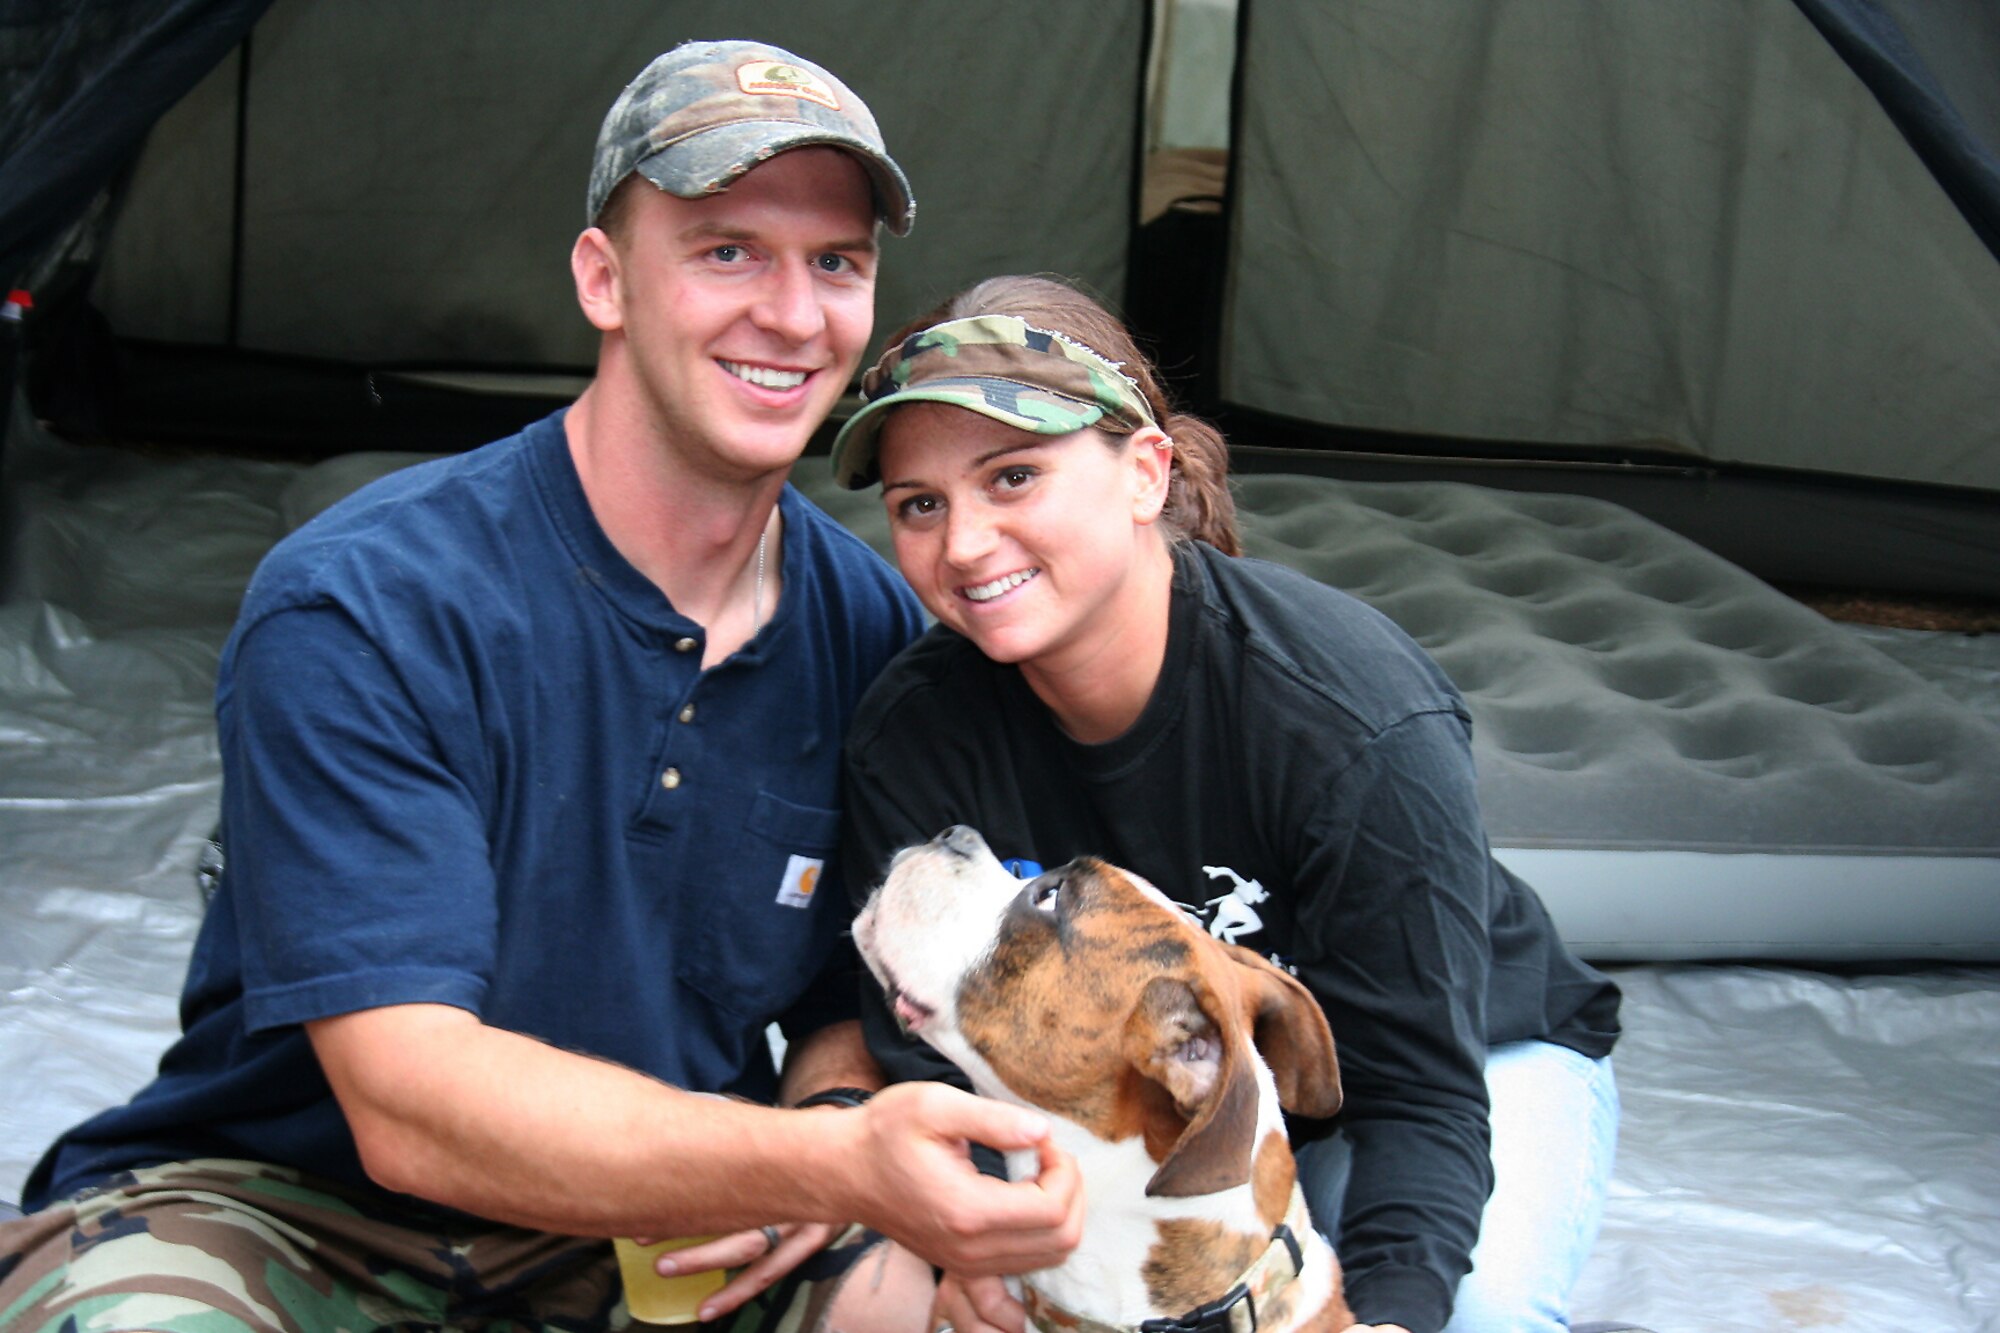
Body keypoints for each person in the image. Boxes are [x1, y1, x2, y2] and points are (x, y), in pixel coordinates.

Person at [0, 44, 1082, 1333]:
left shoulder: (870, 632)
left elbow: (848, 992)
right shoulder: (370, 604)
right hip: (295, 1211)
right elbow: (407, 1104)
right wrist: (821, 1162)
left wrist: (834, 1115)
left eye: (834, 262)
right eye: (727, 250)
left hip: (677, 1213)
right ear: (603, 279)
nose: (793, 316)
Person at [829, 276, 1625, 1333]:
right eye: (918, 504)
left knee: (1467, 1312)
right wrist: (971, 1250)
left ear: (1143, 472)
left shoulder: (1348, 718)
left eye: (1012, 476)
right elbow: (923, 1050)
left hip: (1455, 1062)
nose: (964, 542)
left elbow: (1419, 1096)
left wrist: (1392, 1309)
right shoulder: (913, 730)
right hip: (1146, 1104)